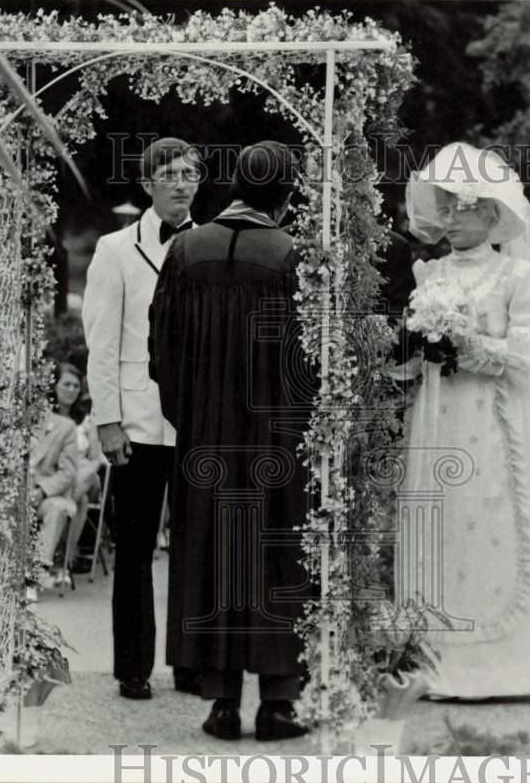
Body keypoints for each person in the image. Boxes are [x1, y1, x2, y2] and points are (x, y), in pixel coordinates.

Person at [397, 142, 530, 699]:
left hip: (491, 421)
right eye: (448, 205)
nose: (453, 217)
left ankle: (501, 665)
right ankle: (432, 656)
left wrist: (474, 346)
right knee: (439, 523)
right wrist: (420, 349)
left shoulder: (516, 277)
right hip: (438, 418)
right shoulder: (430, 274)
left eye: (466, 207)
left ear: (494, 214)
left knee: (493, 523)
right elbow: (414, 351)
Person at [150, 141, 314, 741]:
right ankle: (276, 703)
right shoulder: (293, 255)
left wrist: (191, 417)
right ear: (287, 193)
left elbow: (161, 351)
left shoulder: (185, 251)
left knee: (211, 556)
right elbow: (309, 361)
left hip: (205, 442)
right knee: (274, 556)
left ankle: (220, 701)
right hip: (275, 439)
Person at [82, 137, 201, 700]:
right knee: (132, 549)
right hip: (135, 423)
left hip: (197, 422)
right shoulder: (114, 249)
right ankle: (133, 666)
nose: (182, 182)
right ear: (148, 182)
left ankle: (191, 662)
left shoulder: (209, 246)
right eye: (170, 173)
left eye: (190, 173)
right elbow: (100, 341)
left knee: (196, 548)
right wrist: (107, 419)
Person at [51, 361, 106, 574]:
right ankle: (65, 559)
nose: (72, 390)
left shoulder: (85, 420)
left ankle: (53, 555)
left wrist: (77, 473)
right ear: (54, 385)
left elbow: (95, 460)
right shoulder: (45, 415)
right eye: (66, 384)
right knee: (79, 502)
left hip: (84, 476)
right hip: (56, 477)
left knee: (87, 476)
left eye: (76, 386)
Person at [28, 402, 79, 593]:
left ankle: (34, 576)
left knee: (58, 508)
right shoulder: (5, 420)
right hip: (12, 493)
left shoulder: (64, 426)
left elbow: (69, 473)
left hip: (44, 495)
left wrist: (41, 491)